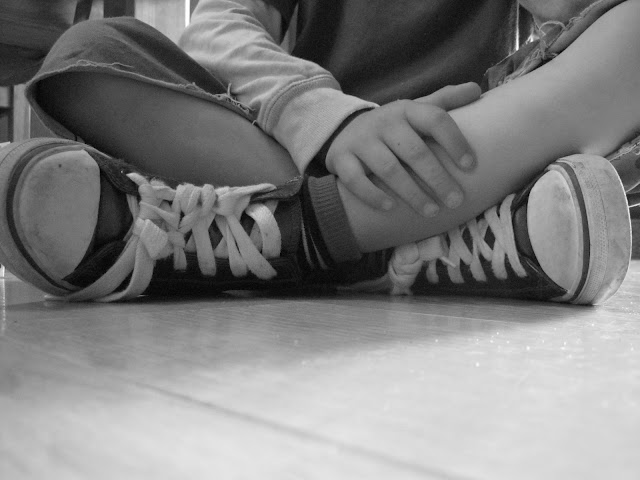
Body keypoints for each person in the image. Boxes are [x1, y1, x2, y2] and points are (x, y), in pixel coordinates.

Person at [0, 0, 637, 303]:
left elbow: (578, 15)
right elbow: (217, 29)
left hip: (461, 151)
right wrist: (332, 123)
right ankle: (434, 251)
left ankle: (262, 236)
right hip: (307, 153)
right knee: (90, 53)